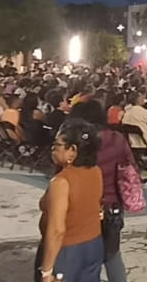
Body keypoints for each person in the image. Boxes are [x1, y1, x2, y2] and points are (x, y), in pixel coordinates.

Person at [71, 101, 134, 282]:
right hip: (112, 205)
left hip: (82, 205)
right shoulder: (116, 139)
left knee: (83, 256)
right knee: (112, 254)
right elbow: (132, 168)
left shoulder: (76, 142)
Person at [37, 119, 104, 282]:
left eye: (57, 145)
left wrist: (46, 271)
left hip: (67, 251)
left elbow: (57, 230)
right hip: (94, 244)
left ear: (72, 151)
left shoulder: (61, 182)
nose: (53, 149)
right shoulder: (95, 171)